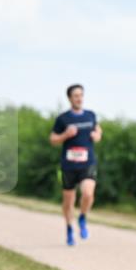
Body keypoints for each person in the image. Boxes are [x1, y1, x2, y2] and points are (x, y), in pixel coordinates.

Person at [50, 85, 102, 246]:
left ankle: (82, 217)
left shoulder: (90, 115)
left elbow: (98, 130)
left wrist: (97, 135)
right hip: (69, 166)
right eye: (76, 96)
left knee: (88, 193)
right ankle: (69, 229)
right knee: (68, 201)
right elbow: (53, 139)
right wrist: (65, 135)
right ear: (70, 98)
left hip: (87, 162)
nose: (79, 98)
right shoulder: (63, 119)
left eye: (81, 95)